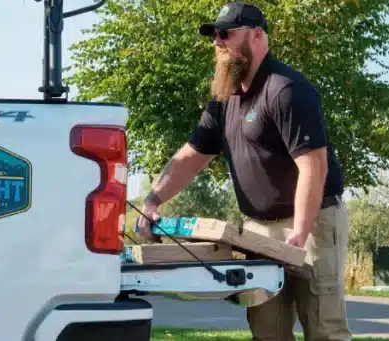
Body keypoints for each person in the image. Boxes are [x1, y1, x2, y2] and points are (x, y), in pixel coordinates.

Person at [134, 2, 352, 341]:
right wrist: (152, 199)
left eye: (225, 34)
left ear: (257, 35)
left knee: (324, 329)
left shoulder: (286, 90)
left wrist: (300, 230)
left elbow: (314, 165)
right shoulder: (224, 101)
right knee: (267, 331)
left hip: (313, 225)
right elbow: (191, 157)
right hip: (257, 232)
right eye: (214, 36)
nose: (217, 42)